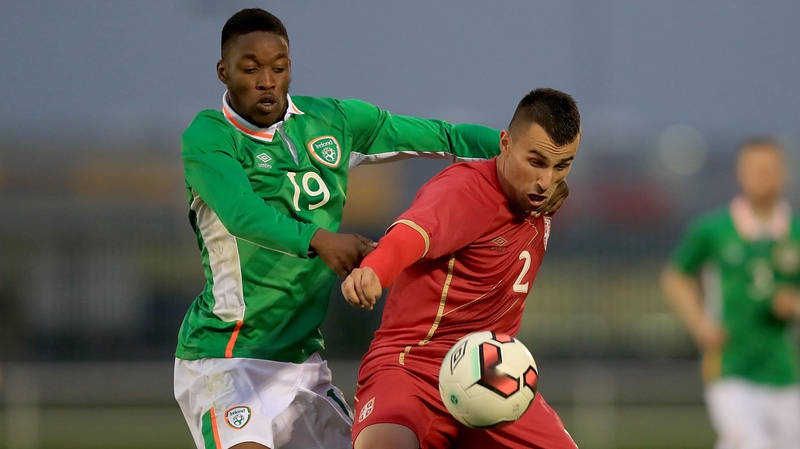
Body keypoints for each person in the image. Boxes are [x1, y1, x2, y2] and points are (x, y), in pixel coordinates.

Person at [173, 8, 568, 449]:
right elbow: (242, 213)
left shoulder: (331, 122)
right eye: (250, 69)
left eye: (278, 67)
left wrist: (525, 163)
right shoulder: (208, 136)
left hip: (301, 360)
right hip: (226, 358)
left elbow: (441, 136)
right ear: (223, 72)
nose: (266, 80)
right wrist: (319, 240)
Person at [341, 88, 581, 449]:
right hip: (414, 367)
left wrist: (549, 176)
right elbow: (409, 236)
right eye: (536, 161)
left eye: (561, 166)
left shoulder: (539, 191)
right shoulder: (464, 191)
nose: (546, 182)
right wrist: (374, 271)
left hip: (495, 372)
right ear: (505, 144)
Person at [661, 139, 800, 449]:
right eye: (755, 169)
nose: (763, 176)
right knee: (753, 443)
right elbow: (676, 277)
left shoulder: (796, 232)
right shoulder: (714, 230)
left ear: (784, 174)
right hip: (729, 362)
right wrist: (699, 323)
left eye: (770, 169)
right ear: (741, 174)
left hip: (784, 368)